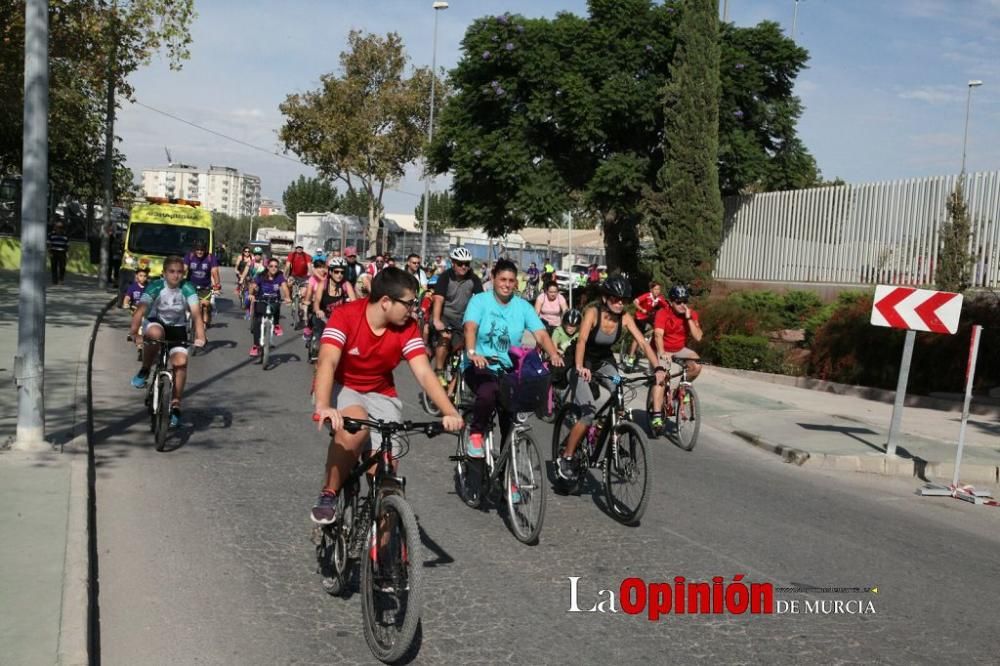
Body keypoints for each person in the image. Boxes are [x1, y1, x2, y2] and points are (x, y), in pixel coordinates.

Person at [310, 267, 463, 524]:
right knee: (355, 427)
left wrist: (450, 412)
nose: (414, 309)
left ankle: (385, 553)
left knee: (386, 475)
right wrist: (324, 405)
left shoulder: (407, 327)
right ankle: (329, 493)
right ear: (385, 302)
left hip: (381, 393)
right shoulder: (345, 315)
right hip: (342, 386)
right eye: (409, 303)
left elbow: (424, 373)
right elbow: (327, 362)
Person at [554, 276, 664, 481]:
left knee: (619, 392)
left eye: (623, 299)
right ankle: (567, 457)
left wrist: (657, 366)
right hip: (581, 361)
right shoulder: (592, 313)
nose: (619, 303)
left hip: (604, 363)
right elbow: (582, 341)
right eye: (615, 298)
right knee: (588, 412)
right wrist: (579, 367)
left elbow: (642, 342)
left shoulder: (625, 317)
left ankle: (607, 432)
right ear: (605, 298)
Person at [462, 259, 564, 457]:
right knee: (488, 391)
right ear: (493, 278)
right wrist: (473, 353)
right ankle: (476, 434)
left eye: (511, 280)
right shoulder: (479, 301)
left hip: (509, 370)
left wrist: (553, 353)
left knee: (511, 420)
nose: (507, 284)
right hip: (480, 365)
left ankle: (508, 479)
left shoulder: (523, 306)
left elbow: (541, 334)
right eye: (502, 279)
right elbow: (470, 327)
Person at [128, 256, 207, 428]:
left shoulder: (187, 288)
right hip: (156, 322)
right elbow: (140, 310)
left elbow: (196, 314)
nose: (176, 276)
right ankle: (145, 370)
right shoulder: (156, 286)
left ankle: (176, 404)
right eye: (171, 272)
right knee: (156, 334)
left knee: (181, 362)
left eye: (179, 272)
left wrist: (201, 337)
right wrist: (134, 332)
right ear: (164, 273)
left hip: (177, 327)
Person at [648, 285, 703, 433]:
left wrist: (689, 318)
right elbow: (658, 335)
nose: (682, 305)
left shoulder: (690, 314)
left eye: (685, 301)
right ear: (671, 302)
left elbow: (698, 337)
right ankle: (657, 415)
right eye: (678, 302)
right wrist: (661, 354)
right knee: (661, 378)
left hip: (678, 349)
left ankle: (682, 388)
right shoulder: (663, 313)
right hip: (661, 349)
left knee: (696, 365)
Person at [431, 246, 483, 385]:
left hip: (463, 318)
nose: (464, 267)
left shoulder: (474, 279)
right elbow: (438, 299)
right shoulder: (445, 277)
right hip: (445, 315)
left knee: (466, 343)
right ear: (453, 263)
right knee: (445, 336)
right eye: (460, 263)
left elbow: (481, 300)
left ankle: (458, 374)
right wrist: (436, 320)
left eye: (467, 264)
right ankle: (439, 370)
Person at [309, 256, 357, 352]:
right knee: (319, 335)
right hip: (323, 316)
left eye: (342, 272)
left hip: (339, 318)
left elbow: (354, 303)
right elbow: (317, 301)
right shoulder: (323, 284)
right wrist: (318, 310)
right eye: (336, 272)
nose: (339, 275)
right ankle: (315, 343)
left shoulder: (346, 285)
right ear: (330, 272)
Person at [248, 257, 292, 357]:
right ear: (267, 267)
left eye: (276, 266)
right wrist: (251, 294)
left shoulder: (280, 276)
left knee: (276, 305)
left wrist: (288, 297)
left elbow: (284, 287)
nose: (273, 268)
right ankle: (255, 346)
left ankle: (276, 324)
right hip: (261, 299)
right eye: (271, 266)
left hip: (274, 300)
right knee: (258, 321)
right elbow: (253, 285)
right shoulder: (261, 276)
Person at [623, 281, 666, 371]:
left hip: (650, 317)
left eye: (659, 289)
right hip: (640, 317)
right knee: (637, 337)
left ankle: (650, 345)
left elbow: (666, 307)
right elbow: (635, 301)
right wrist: (641, 309)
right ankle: (631, 358)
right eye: (656, 289)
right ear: (651, 290)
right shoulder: (647, 296)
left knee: (658, 331)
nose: (657, 291)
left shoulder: (660, 298)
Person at [183, 240, 222, 327]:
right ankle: (189, 316)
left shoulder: (210, 258)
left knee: (205, 306)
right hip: (190, 286)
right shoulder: (189, 256)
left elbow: (214, 271)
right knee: (189, 305)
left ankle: (203, 328)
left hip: (205, 287)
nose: (199, 251)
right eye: (197, 249)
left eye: (202, 249)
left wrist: (217, 284)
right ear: (194, 249)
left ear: (205, 250)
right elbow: (184, 269)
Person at [284, 245, 313, 326]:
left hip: (304, 277)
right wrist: (285, 274)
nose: (299, 249)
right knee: (288, 284)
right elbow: (287, 266)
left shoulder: (306, 256)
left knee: (303, 295)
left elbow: (309, 267)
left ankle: (302, 312)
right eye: (298, 247)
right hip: (293, 276)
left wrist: (311, 275)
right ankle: (288, 298)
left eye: (301, 247)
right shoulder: (291, 255)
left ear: (303, 249)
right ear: (295, 248)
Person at [302, 255, 327, 340]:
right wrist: (306, 301)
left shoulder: (327, 278)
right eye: (319, 267)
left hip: (326, 302)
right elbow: (309, 291)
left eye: (323, 267)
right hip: (314, 301)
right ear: (315, 269)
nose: (321, 270)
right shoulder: (312, 279)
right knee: (313, 313)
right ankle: (308, 328)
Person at [47, 221, 69, 285]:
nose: (59, 229)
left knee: (62, 267)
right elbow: (49, 244)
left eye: (61, 227)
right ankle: (54, 280)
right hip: (54, 252)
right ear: (55, 227)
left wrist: (67, 253)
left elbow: (67, 245)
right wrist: (50, 252)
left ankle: (61, 280)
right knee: (54, 267)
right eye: (58, 227)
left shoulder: (65, 235)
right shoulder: (51, 234)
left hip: (62, 252)